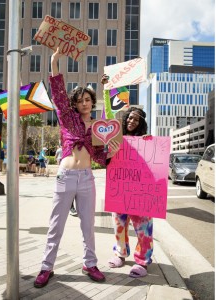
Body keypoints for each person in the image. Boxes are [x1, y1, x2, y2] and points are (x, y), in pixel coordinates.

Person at [34, 48, 119, 288]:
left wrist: (110, 151)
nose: (84, 103)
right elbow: (59, 93)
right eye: (80, 100)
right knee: (55, 225)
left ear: (93, 102)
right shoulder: (67, 119)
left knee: (88, 225)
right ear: (75, 103)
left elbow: (102, 157)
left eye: (87, 99)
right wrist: (54, 60)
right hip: (65, 177)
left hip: (87, 179)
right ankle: (46, 267)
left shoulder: (98, 126)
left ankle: (89, 263)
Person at [102, 75, 153, 278]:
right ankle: (120, 254)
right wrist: (107, 89)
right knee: (119, 223)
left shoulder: (146, 140)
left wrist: (149, 144)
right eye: (129, 117)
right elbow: (108, 113)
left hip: (140, 191)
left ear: (141, 123)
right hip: (119, 188)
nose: (131, 121)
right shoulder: (116, 138)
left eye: (135, 119)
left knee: (143, 226)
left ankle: (142, 261)